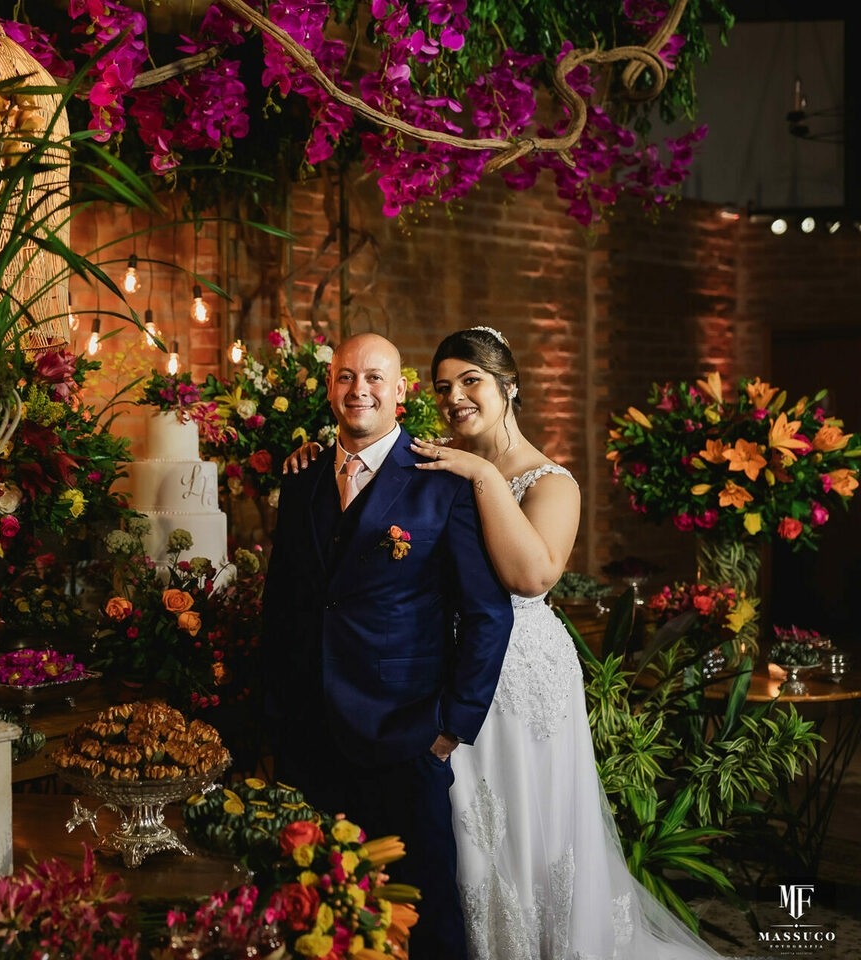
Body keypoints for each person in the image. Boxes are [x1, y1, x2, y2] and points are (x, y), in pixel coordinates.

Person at [285, 326, 718, 959]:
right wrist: (314, 457)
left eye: (472, 381)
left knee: (527, 827)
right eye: (444, 387)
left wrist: (484, 475)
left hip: (520, 671)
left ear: (508, 387)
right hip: (442, 669)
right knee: (461, 832)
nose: (456, 397)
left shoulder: (547, 481)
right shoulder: (436, 463)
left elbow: (531, 576)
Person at [262, 332, 515, 960]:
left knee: (424, 914)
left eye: (375, 377)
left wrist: (450, 729)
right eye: (345, 377)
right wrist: (271, 718)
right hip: (307, 737)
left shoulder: (443, 482)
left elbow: (488, 615)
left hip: (405, 735)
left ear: (400, 391)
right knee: (313, 910)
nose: (359, 390)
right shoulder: (301, 482)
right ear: (329, 388)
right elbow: (282, 609)